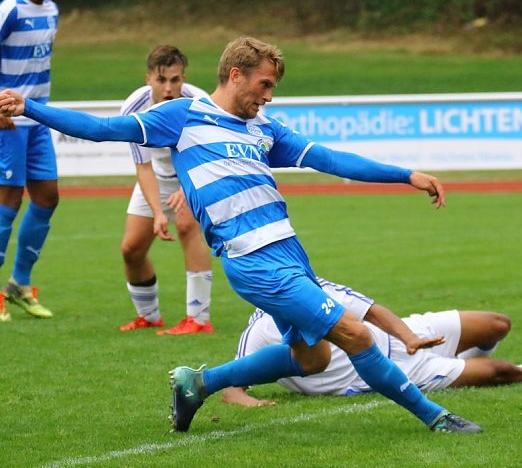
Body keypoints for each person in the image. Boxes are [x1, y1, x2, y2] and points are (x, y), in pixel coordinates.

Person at [0, 36, 482, 434]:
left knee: (311, 358)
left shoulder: (263, 128)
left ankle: (200, 382)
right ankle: (435, 417)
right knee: (355, 335)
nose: (268, 95)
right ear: (235, 75)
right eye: (264, 84)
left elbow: (330, 160)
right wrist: (32, 109)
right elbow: (104, 128)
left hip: (291, 252)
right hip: (253, 260)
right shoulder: (182, 116)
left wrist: (405, 175)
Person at [222, 277, 522, 406]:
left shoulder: (311, 287)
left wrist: (410, 335)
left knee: (496, 324)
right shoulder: (260, 330)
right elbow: (231, 389)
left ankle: (460, 360)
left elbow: (373, 309)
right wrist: (253, 401)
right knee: (500, 372)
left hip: (404, 337)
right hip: (396, 371)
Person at [118, 45, 214, 335]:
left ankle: (198, 319)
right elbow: (143, 167)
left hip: (196, 175)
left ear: (183, 78)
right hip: (156, 178)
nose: (169, 88)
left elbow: (206, 162)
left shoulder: (200, 104)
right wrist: (158, 212)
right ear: (149, 79)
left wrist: (186, 191)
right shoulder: (133, 109)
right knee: (131, 250)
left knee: (186, 225)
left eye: (175, 80)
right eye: (162, 80)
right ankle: (149, 316)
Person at [0, 0, 59, 323]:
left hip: (38, 119)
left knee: (48, 198)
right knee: (8, 203)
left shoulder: (52, 10)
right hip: (9, 123)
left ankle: (19, 284)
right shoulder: (10, 9)